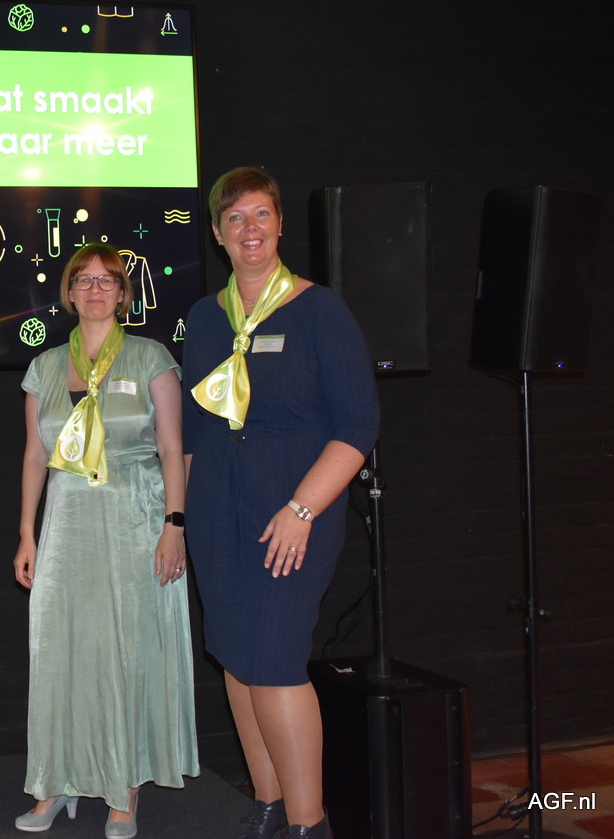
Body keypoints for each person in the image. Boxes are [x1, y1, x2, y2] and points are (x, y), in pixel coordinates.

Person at [182, 167, 379, 839]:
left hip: (292, 515)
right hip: (216, 514)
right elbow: (193, 433)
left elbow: (358, 427)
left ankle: (309, 824)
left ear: (280, 224)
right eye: (235, 218)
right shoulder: (206, 318)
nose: (250, 229)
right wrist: (183, 520)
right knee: (236, 659)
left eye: (260, 214)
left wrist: (302, 510)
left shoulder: (320, 311)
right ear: (217, 235)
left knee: (273, 660)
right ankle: (268, 806)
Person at [13, 243, 198, 839]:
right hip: (65, 525)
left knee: (125, 653)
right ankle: (56, 780)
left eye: (107, 281)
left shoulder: (150, 358)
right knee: (60, 651)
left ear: (123, 293)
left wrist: (174, 525)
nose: (95, 290)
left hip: (133, 521)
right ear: (69, 293)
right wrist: (26, 533)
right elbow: (35, 455)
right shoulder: (44, 367)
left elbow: (173, 447)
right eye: (84, 280)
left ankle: (124, 787)